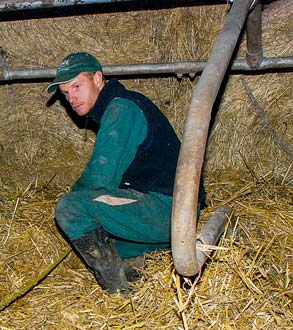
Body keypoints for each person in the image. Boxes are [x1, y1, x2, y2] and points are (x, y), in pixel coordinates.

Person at [47, 52, 205, 294]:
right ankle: (143, 263)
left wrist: (73, 200)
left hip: (169, 211)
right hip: (170, 212)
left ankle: (118, 292)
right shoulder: (121, 105)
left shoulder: (121, 109)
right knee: (106, 244)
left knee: (71, 208)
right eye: (66, 93)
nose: (72, 98)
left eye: (77, 86)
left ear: (98, 79)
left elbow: (99, 178)